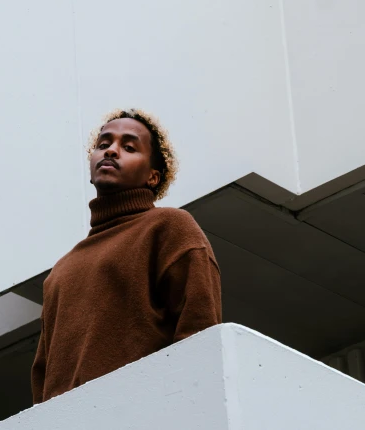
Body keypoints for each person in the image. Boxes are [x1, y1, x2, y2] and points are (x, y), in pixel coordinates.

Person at [31, 108, 222, 404]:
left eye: (129, 147)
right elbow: (43, 377)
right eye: (103, 144)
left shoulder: (169, 228)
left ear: (153, 176)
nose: (111, 151)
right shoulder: (61, 271)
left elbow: (199, 334)